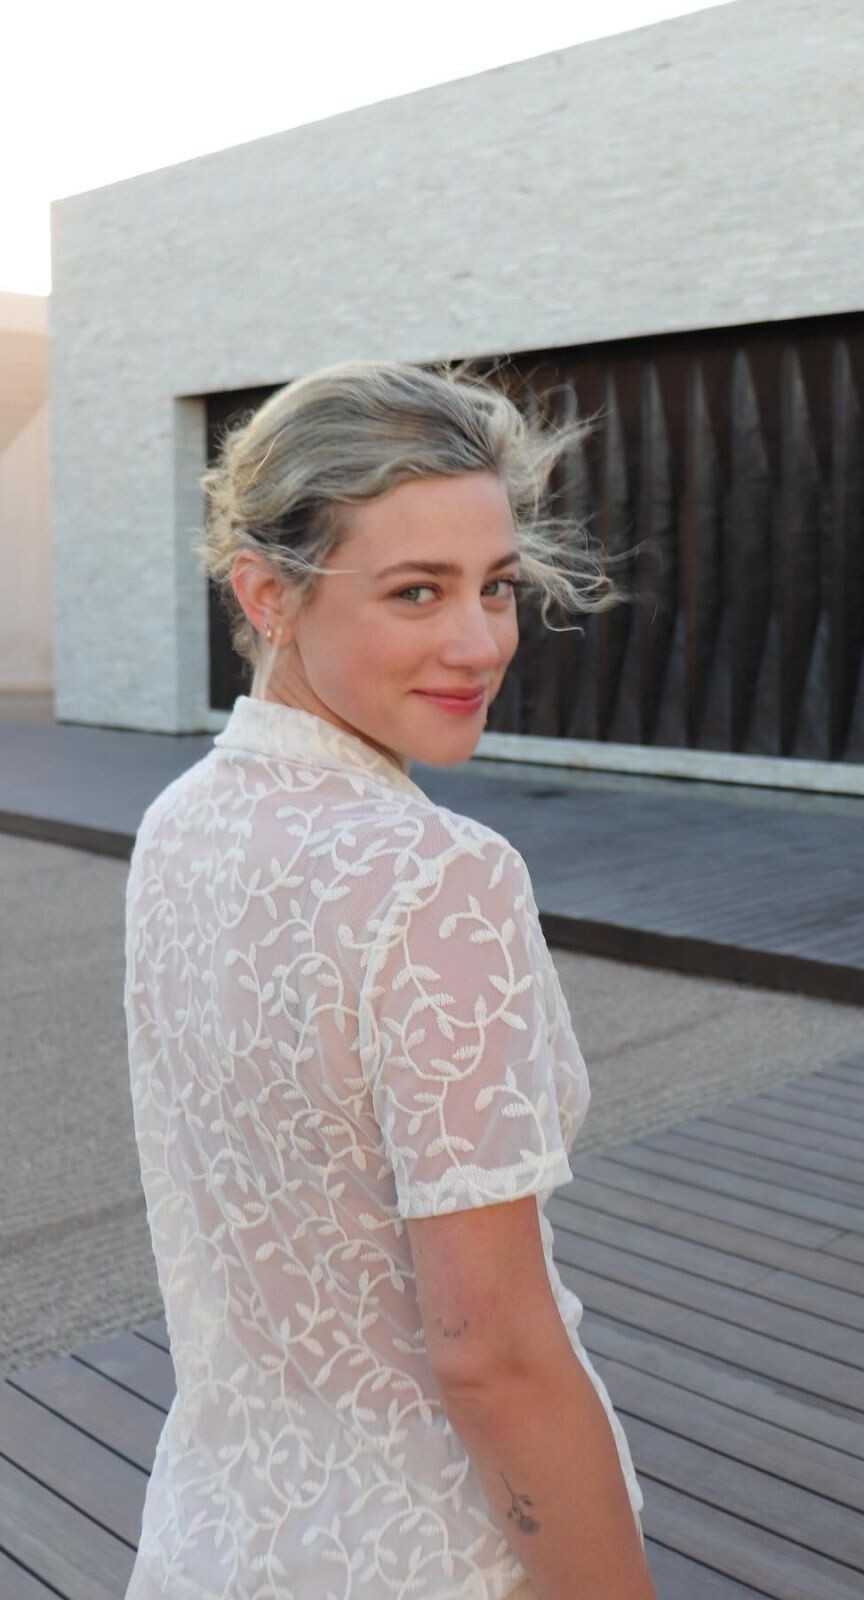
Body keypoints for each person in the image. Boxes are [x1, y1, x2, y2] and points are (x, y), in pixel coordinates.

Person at [121, 357, 658, 1600]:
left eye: (495, 586)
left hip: (216, 1544)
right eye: (417, 590)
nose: (479, 643)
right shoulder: (440, 878)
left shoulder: (180, 821)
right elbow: (491, 1355)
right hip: (441, 1559)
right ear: (267, 593)